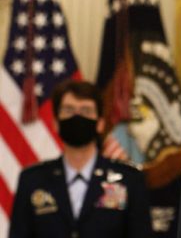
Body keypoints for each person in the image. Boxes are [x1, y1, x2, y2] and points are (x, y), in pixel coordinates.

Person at [9, 80, 153, 238]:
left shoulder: (130, 181)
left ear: (100, 124)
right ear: (56, 123)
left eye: (86, 110)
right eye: (69, 110)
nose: (77, 116)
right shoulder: (33, 180)